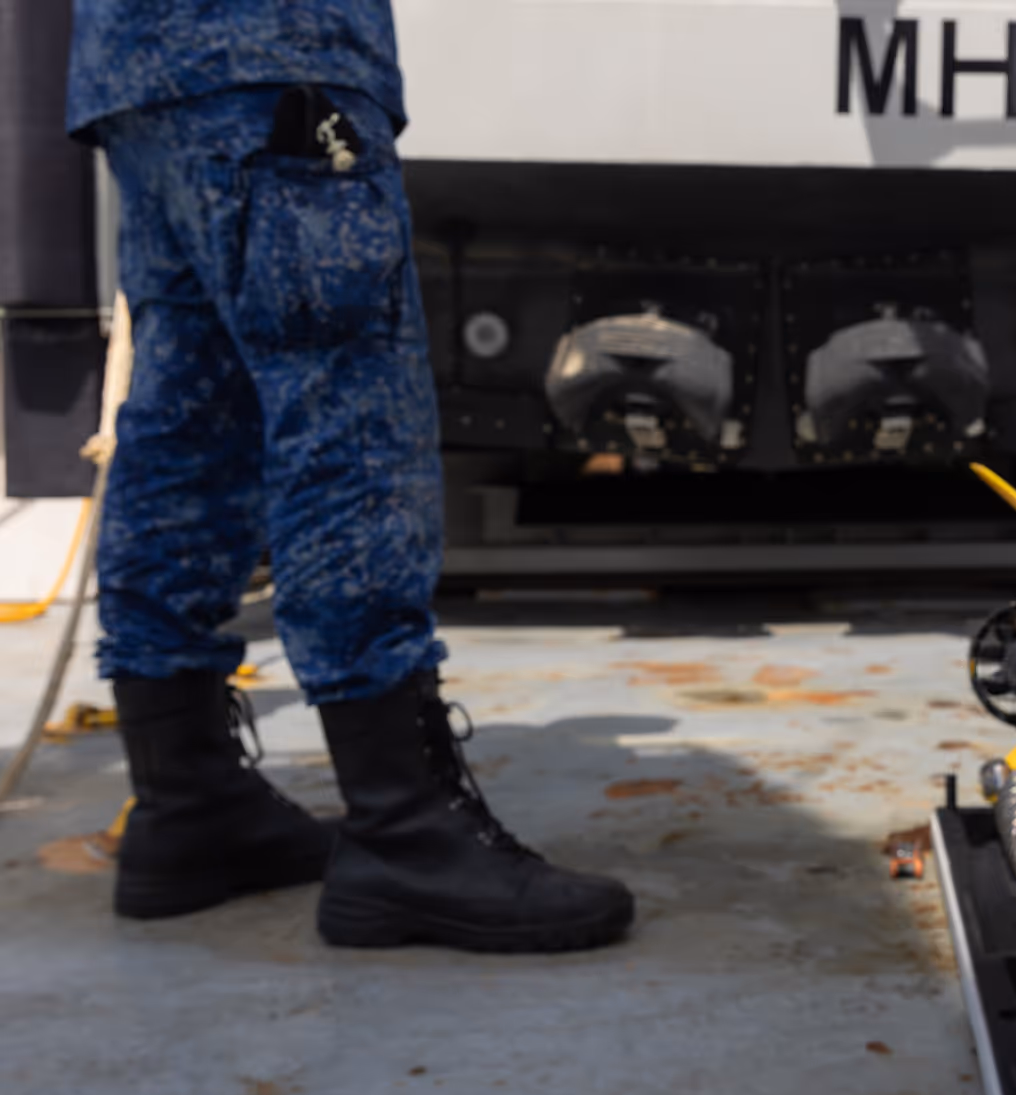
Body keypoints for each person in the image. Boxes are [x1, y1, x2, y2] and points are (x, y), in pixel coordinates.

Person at [65, 1, 634, 952]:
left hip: (139, 66)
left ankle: (187, 797)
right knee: (350, 418)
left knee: (188, 421)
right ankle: (407, 830)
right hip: (273, 49)